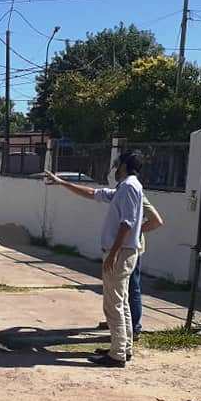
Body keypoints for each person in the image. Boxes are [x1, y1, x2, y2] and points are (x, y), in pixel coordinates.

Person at [44, 151, 145, 367]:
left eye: (117, 165)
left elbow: (127, 223)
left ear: (125, 166)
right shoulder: (126, 187)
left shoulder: (128, 187)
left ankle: (117, 354)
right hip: (124, 252)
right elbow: (93, 193)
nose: (115, 169)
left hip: (120, 252)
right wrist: (62, 182)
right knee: (122, 302)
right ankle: (123, 348)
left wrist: (114, 253)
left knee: (113, 304)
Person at [97, 196, 164, 342]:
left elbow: (156, 221)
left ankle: (133, 328)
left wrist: (135, 231)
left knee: (131, 288)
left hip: (130, 250)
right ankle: (118, 323)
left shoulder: (136, 194)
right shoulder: (122, 192)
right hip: (124, 248)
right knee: (122, 291)